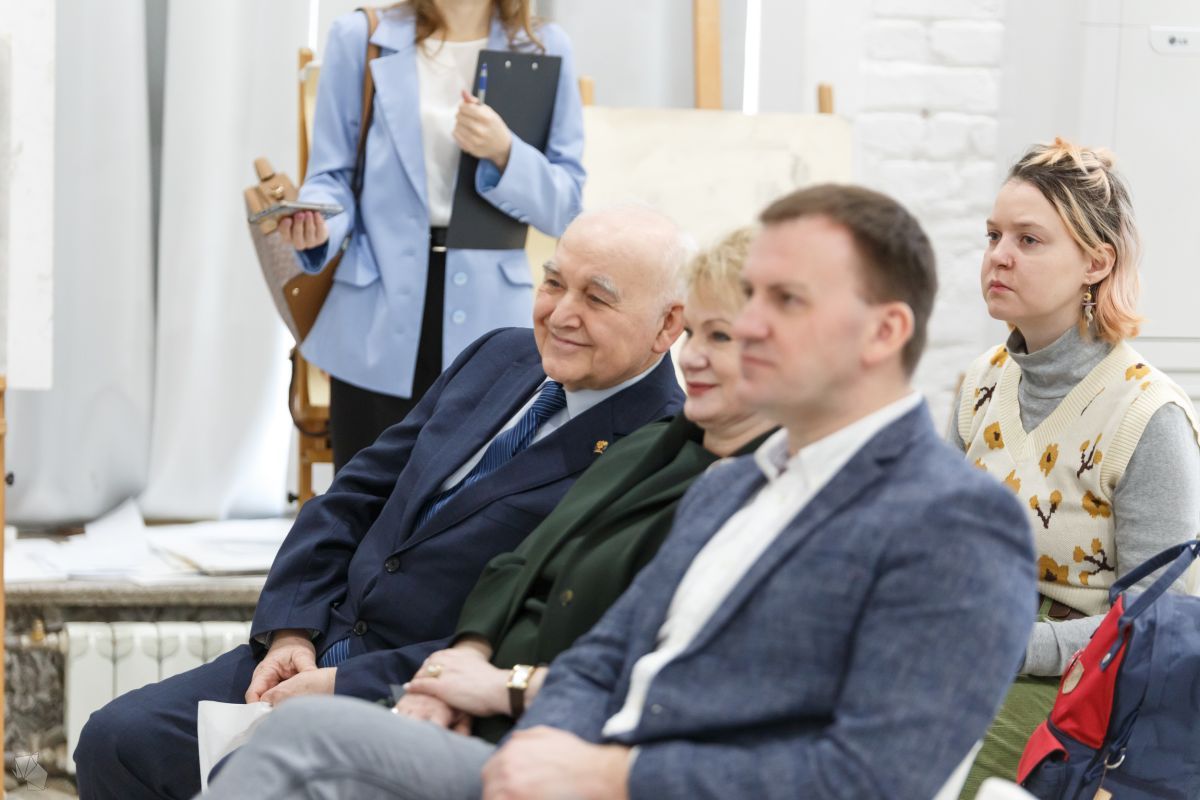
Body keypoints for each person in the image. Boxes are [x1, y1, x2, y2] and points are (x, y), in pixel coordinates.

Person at [204, 184, 1038, 800]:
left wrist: (607, 775)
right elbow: (605, 656)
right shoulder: (733, 484)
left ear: (884, 332)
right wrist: (537, 738)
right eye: (748, 301)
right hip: (566, 760)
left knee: (307, 747)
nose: (748, 328)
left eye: (784, 301)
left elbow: (871, 781)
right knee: (298, 740)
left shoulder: (956, 522)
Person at [73, 207, 685, 800]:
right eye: (553, 283)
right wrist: (292, 632)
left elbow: (548, 629)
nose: (561, 313)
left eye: (596, 298)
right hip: (317, 639)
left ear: (667, 325)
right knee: (117, 740)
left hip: (421, 689)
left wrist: (346, 682)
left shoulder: (663, 450)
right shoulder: (500, 355)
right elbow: (355, 494)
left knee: (253, 775)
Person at [388, 227, 776, 743]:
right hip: (471, 704)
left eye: (721, 337)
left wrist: (508, 688)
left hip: (556, 739)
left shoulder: (764, 492)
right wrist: (457, 666)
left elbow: (667, 671)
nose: (692, 357)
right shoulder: (655, 444)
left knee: (308, 735)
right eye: (696, 334)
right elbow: (518, 566)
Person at [954, 139, 1200, 797]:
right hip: (968, 650)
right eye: (993, 235)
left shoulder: (1148, 416)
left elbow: (1155, 623)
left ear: (1096, 262)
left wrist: (1018, 647)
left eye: (1029, 240)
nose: (999, 255)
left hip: (1078, 690)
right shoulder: (980, 384)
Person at [279, 0, 585, 469]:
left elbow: (566, 207)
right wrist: (317, 225)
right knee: (363, 497)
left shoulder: (543, 46)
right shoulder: (360, 37)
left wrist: (505, 152)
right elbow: (331, 177)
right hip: (377, 312)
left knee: (471, 500)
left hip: (490, 322)